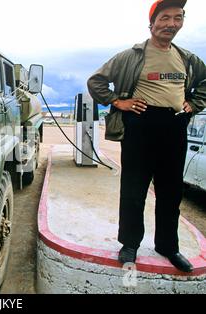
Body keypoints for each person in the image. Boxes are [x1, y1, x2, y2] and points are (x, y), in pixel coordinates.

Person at [87, 0, 206, 273]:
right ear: (151, 24)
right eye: (165, 18)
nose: (171, 24)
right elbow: (96, 81)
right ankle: (129, 245)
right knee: (133, 189)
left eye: (177, 18)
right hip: (140, 125)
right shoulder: (132, 56)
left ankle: (167, 246)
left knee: (171, 191)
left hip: (174, 126)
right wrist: (118, 101)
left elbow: (204, 82)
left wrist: (194, 104)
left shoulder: (187, 58)